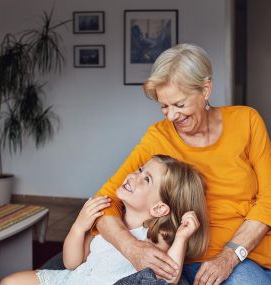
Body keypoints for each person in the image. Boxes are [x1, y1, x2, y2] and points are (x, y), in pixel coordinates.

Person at [93, 43, 271, 285]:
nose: (171, 116)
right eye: (163, 106)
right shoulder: (158, 137)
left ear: (205, 90)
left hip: (245, 252)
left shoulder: (247, 121)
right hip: (187, 258)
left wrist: (230, 256)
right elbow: (104, 202)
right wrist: (132, 247)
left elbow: (268, 198)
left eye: (179, 105)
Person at [0, 155, 209, 285]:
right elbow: (72, 263)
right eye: (139, 170)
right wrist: (79, 226)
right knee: (10, 282)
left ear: (159, 208)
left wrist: (181, 238)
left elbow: (168, 279)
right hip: (75, 280)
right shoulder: (109, 220)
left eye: (147, 179)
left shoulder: (155, 236)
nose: (134, 176)